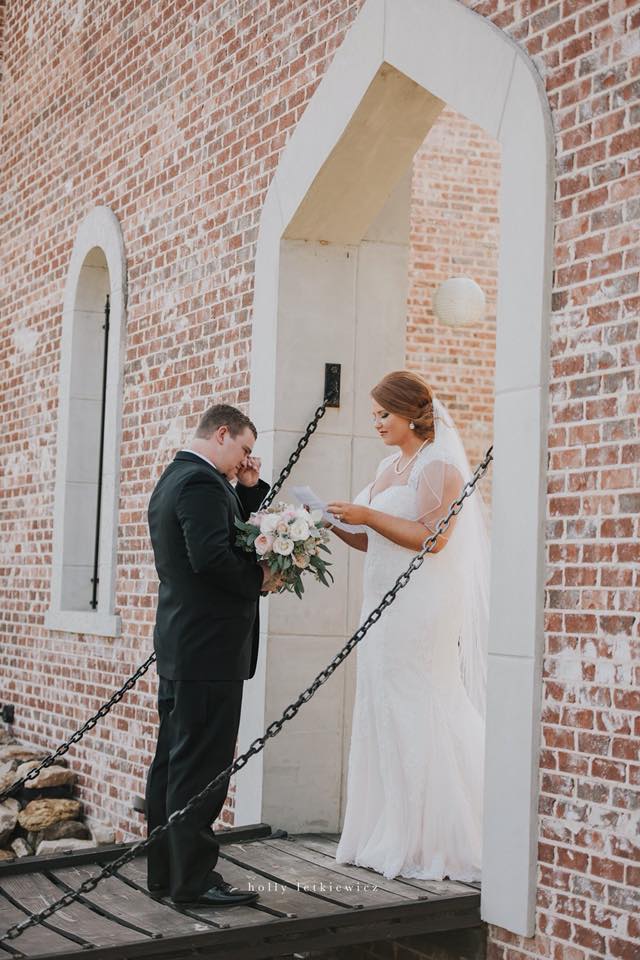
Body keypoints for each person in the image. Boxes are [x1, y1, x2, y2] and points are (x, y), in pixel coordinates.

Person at [327, 370, 490, 881]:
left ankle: (436, 836)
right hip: (380, 602)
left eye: (383, 414)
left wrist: (366, 516)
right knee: (381, 702)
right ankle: (388, 826)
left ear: (409, 415)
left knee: (417, 698)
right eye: (375, 414)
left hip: (420, 605)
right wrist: (328, 520)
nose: (376, 422)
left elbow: (432, 536)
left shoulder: (440, 467)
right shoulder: (387, 465)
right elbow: (369, 538)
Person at [145, 403, 277, 906]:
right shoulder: (200, 484)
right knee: (201, 767)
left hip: (186, 645)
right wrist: (261, 579)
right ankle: (194, 883)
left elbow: (218, 536)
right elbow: (212, 557)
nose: (245, 459)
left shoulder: (177, 478)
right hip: (208, 651)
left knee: (173, 765)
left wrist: (246, 489)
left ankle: (167, 875)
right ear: (222, 434)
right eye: (243, 449)